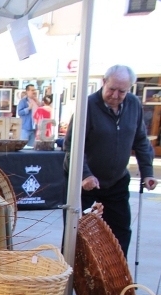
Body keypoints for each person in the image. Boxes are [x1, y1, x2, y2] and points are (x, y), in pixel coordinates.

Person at [63, 64, 157, 256]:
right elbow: (71, 145)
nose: (115, 95)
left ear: (129, 88)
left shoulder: (133, 105)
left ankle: (116, 278)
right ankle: (73, 274)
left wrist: (147, 172)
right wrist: (86, 175)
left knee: (121, 230)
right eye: (112, 89)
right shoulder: (87, 105)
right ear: (104, 82)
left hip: (116, 181)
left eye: (121, 91)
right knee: (76, 232)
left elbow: (140, 140)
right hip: (83, 181)